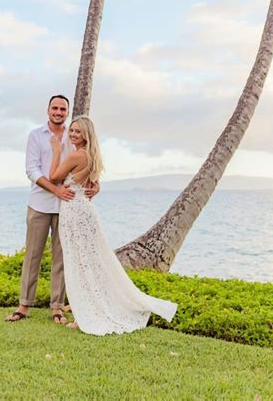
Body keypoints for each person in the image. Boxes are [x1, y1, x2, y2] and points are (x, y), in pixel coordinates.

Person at [48, 115, 178, 335]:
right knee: (88, 261)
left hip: (74, 211)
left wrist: (57, 150)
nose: (72, 134)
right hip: (84, 210)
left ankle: (87, 313)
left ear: (86, 135)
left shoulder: (76, 155)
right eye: (72, 130)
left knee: (80, 262)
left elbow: (53, 177)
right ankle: (87, 307)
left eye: (77, 131)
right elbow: (93, 184)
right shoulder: (92, 156)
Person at [6, 95, 98, 324]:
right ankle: (24, 305)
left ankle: (57, 307)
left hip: (67, 208)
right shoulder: (36, 136)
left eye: (62, 109)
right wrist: (55, 190)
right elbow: (32, 170)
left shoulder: (74, 136)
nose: (58, 112)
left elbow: (86, 165)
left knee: (61, 257)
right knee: (33, 255)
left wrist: (95, 185)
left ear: (67, 113)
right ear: (48, 110)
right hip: (39, 203)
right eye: (55, 108)